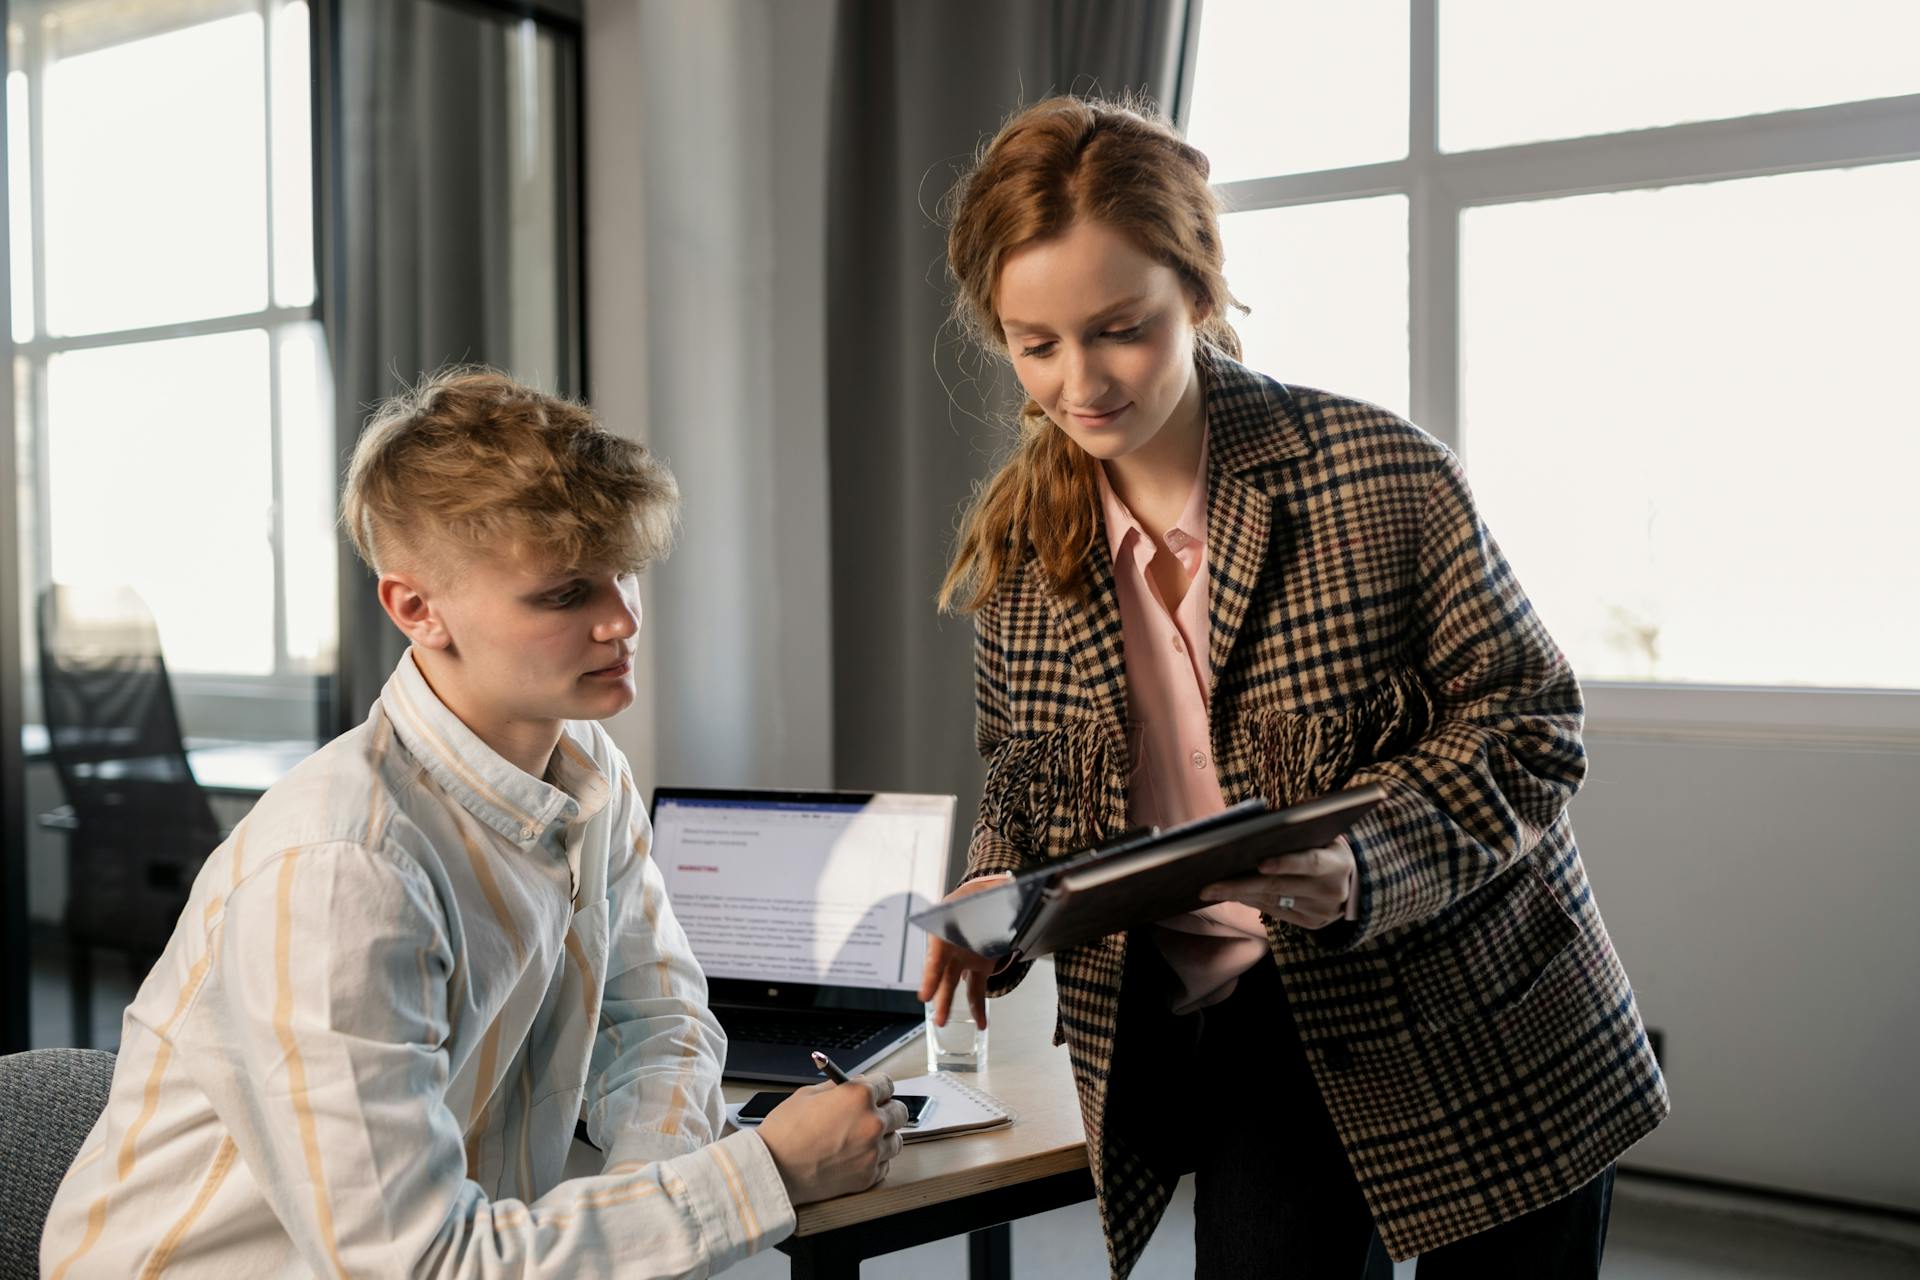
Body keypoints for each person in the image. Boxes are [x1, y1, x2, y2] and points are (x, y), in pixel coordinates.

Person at [918, 97, 1669, 1279]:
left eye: (1120, 329)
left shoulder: (1378, 472)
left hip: (1484, 1013)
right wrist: (993, 880)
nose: (1081, 383)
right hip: (1253, 1026)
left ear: (1200, 294)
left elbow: (1530, 726)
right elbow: (1024, 770)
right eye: (1036, 342)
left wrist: (1363, 864)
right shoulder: (1022, 553)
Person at [42, 370, 907, 1278]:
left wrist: (662, 1192)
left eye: (625, 574)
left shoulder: (584, 768)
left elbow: (661, 1022)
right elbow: (421, 1266)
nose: (621, 619)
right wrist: (755, 1178)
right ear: (417, 609)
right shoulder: (345, 870)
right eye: (567, 594)